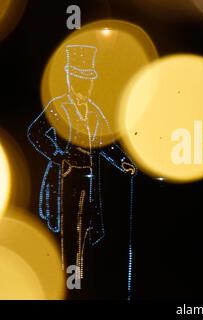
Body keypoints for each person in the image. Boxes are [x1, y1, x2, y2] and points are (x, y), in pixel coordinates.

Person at [28, 45, 137, 284]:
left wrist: (122, 162)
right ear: (70, 78)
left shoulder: (94, 113)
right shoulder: (58, 107)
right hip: (66, 178)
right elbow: (35, 132)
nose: (85, 85)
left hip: (89, 180)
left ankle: (81, 280)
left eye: (88, 80)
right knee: (68, 233)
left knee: (86, 229)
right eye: (79, 79)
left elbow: (104, 144)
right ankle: (68, 282)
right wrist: (59, 156)